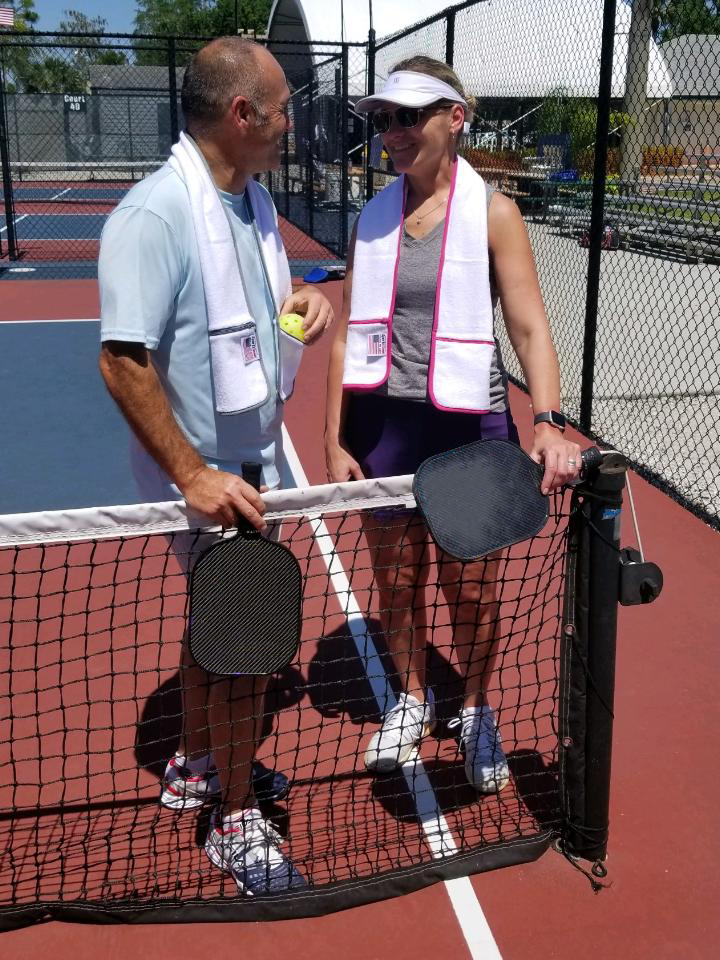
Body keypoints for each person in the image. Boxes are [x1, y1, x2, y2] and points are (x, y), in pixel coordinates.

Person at [98, 37, 333, 894]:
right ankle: (234, 817)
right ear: (242, 116)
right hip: (211, 479)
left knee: (221, 638)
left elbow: (255, 333)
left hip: (251, 460)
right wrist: (194, 477)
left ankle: (202, 761)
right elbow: (123, 360)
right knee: (246, 652)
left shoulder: (250, 204)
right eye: (279, 111)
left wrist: (298, 314)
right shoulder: (157, 215)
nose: (288, 125)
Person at [325, 57, 581, 793]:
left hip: (469, 431)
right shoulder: (373, 216)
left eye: (409, 117)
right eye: (383, 120)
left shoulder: (494, 213)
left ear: (455, 117)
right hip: (384, 430)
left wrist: (550, 420)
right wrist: (334, 437)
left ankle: (472, 708)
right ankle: (410, 697)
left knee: (471, 590)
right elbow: (346, 331)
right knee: (398, 583)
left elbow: (530, 327)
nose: (393, 134)